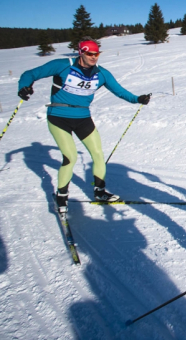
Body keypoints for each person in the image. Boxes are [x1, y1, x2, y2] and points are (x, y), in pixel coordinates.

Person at [17, 38, 151, 214]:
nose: (94, 57)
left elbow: (119, 91)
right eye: (90, 54)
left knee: (98, 154)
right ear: (81, 52)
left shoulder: (101, 74)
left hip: (83, 118)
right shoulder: (63, 65)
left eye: (96, 54)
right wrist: (24, 86)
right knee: (70, 157)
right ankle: (61, 196)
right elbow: (30, 74)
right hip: (59, 117)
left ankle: (100, 193)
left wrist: (137, 99)